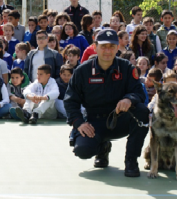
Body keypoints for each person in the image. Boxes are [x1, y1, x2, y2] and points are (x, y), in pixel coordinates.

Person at [64, 29, 149, 177]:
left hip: (120, 119)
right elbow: (70, 100)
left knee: (142, 112)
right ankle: (102, 148)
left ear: (117, 48)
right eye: (103, 46)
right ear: (95, 47)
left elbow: (139, 93)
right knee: (82, 151)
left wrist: (129, 99)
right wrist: (79, 123)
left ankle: (131, 160)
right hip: (93, 122)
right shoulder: (82, 71)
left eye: (111, 46)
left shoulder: (127, 68)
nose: (107, 50)